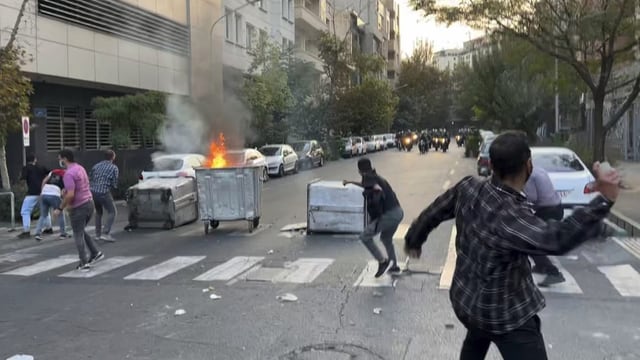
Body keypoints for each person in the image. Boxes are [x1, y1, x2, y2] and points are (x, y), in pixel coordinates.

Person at [404, 131, 619, 360]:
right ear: (529, 165)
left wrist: (414, 239)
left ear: (492, 165)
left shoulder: (467, 188)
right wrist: (604, 200)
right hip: (507, 315)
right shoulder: (511, 216)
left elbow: (435, 211)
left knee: (477, 332)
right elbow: (556, 238)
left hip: (466, 301)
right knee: (490, 327)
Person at [343, 158, 404, 278]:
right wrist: (351, 182)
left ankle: (382, 261)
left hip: (389, 215)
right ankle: (394, 266)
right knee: (386, 239)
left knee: (365, 236)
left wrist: (374, 219)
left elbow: (376, 193)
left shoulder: (370, 179)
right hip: (398, 212)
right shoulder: (375, 177)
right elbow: (367, 186)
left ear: (360, 171)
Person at [54, 149, 104, 272]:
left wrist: (60, 208)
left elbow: (71, 195)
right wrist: (66, 190)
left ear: (65, 159)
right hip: (89, 203)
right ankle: (95, 252)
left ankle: (84, 262)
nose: (59, 161)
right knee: (80, 230)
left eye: (60, 158)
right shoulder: (80, 168)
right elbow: (81, 185)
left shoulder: (69, 174)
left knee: (78, 235)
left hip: (79, 207)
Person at [524, 166, 566, 286]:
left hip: (548, 211)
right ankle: (541, 265)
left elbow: (533, 197)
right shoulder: (538, 170)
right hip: (556, 207)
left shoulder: (528, 175)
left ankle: (553, 272)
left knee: (530, 242)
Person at [89, 150, 119, 242]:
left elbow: (90, 177)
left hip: (93, 191)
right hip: (104, 192)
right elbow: (114, 183)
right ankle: (105, 233)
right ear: (113, 157)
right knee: (112, 212)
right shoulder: (114, 168)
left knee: (98, 212)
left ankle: (98, 235)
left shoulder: (96, 166)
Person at [19, 154, 52, 238]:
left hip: (32, 193)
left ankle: (26, 231)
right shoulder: (41, 167)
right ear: (35, 160)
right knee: (45, 210)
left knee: (25, 211)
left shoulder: (26, 168)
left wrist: (22, 188)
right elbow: (51, 173)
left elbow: (23, 179)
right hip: (43, 192)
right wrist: (46, 181)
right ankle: (49, 228)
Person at [34, 168, 68, 241]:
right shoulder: (66, 175)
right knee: (60, 214)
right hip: (55, 194)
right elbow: (64, 190)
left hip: (44, 193)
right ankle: (63, 234)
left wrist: (42, 191)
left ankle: (37, 233)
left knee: (43, 215)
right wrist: (63, 198)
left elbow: (44, 181)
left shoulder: (53, 172)